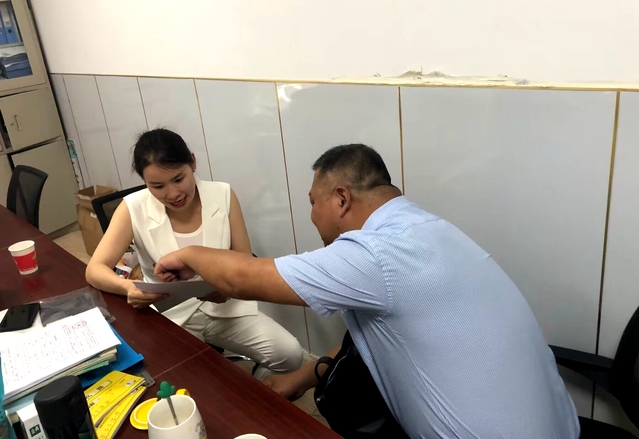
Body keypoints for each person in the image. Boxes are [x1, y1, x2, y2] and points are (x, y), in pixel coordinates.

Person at [153, 143, 580, 438]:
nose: (311, 215)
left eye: (313, 201)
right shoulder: (429, 230)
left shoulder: (378, 253)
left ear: (340, 199)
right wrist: (300, 378)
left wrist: (188, 254)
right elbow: (368, 339)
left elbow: (245, 277)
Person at [85, 128, 303, 378]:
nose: (173, 194)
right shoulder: (133, 207)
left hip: (226, 308)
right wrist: (128, 288)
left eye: (179, 179)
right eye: (157, 186)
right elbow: (94, 270)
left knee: (290, 355)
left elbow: (244, 261)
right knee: (185, 382)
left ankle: (259, 386)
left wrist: (227, 289)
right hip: (171, 316)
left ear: (193, 162)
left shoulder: (222, 194)